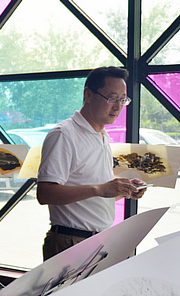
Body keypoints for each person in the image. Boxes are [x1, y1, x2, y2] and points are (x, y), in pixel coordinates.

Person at [36, 66, 146, 261]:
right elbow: (45, 193)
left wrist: (123, 190)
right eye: (112, 98)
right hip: (70, 241)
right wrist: (100, 189)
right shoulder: (64, 134)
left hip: (99, 240)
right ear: (88, 95)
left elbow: (95, 195)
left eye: (123, 99)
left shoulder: (101, 135)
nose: (118, 106)